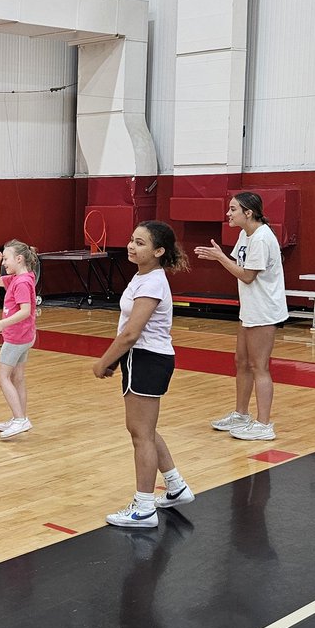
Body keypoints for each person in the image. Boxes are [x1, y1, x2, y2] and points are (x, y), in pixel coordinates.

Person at [92, 222, 194, 529]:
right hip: (145, 360)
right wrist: (117, 361)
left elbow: (131, 333)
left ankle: (144, 508)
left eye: (140, 243)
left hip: (147, 360)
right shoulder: (144, 277)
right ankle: (175, 486)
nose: (131, 246)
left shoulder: (151, 283)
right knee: (145, 430)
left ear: (159, 251)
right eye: (131, 240)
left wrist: (104, 362)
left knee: (140, 434)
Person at [194, 192, 288, 441]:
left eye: (233, 209)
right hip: (249, 307)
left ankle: (264, 424)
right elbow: (239, 263)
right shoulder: (245, 235)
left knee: (259, 366)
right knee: (241, 362)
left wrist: (220, 258)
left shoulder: (262, 238)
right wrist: (222, 257)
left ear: (248, 212)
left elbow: (247, 275)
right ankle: (241, 414)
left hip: (264, 310)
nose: (228, 213)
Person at [0, 239, 39, 440]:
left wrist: (1, 324)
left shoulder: (23, 282)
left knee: (1, 376)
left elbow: (25, 311)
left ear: (19, 259)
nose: (5, 262)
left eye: (6, 259)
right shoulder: (19, 278)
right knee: (17, 377)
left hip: (17, 338)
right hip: (24, 336)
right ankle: (20, 417)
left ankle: (20, 420)